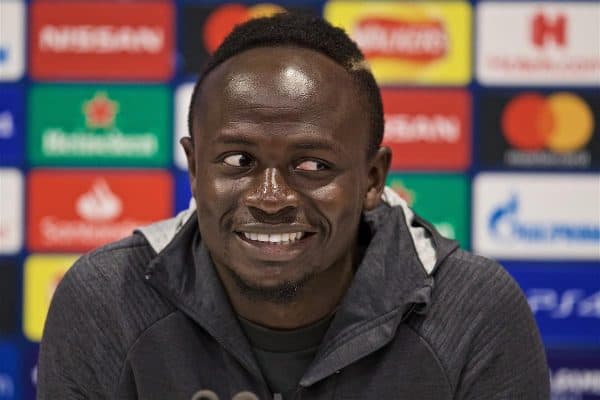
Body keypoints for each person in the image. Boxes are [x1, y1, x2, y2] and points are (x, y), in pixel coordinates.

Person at [37, 13, 550, 400]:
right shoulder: (107, 301)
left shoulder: (472, 311)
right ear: (195, 170)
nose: (271, 198)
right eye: (238, 160)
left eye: (313, 167)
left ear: (372, 179)